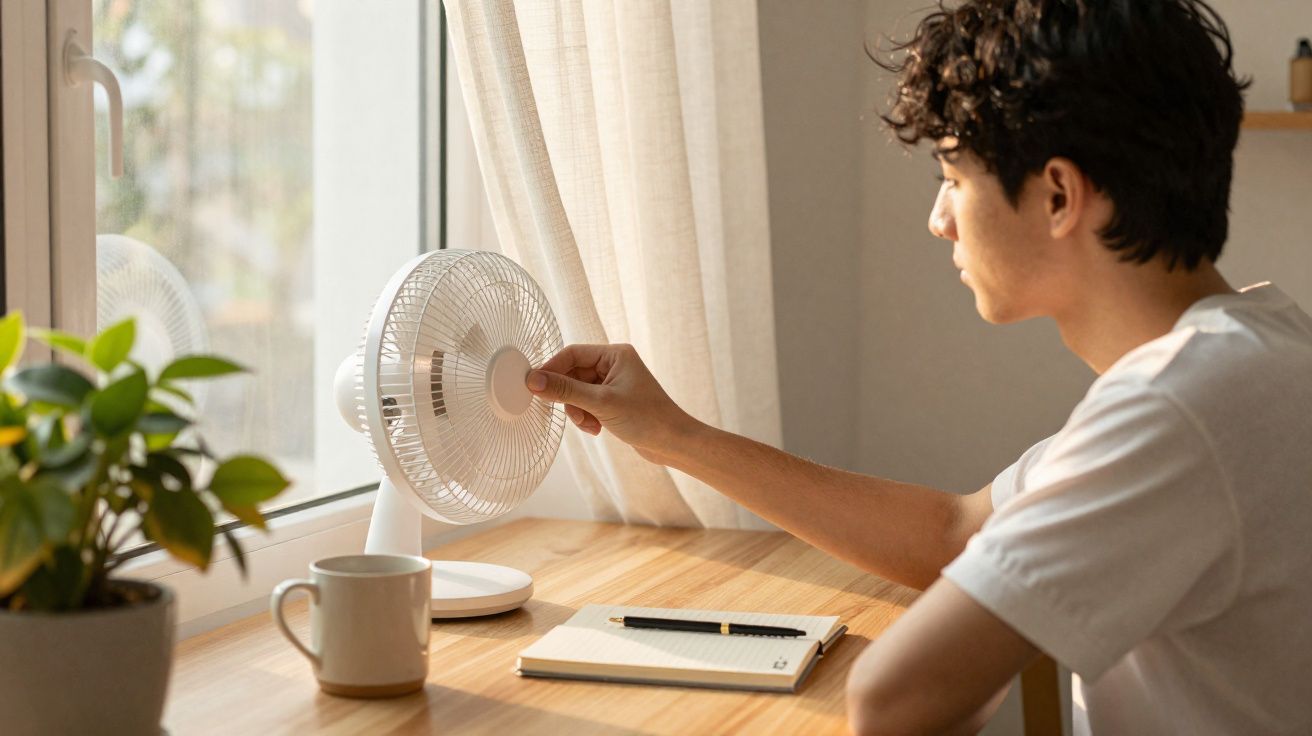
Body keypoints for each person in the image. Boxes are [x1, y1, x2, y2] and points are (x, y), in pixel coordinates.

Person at [524, 1, 1312, 733]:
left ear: (1060, 196)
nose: (938, 221)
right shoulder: (1250, 357)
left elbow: (894, 697)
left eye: (953, 178)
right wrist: (673, 436)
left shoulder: (1181, 408)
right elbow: (957, 531)